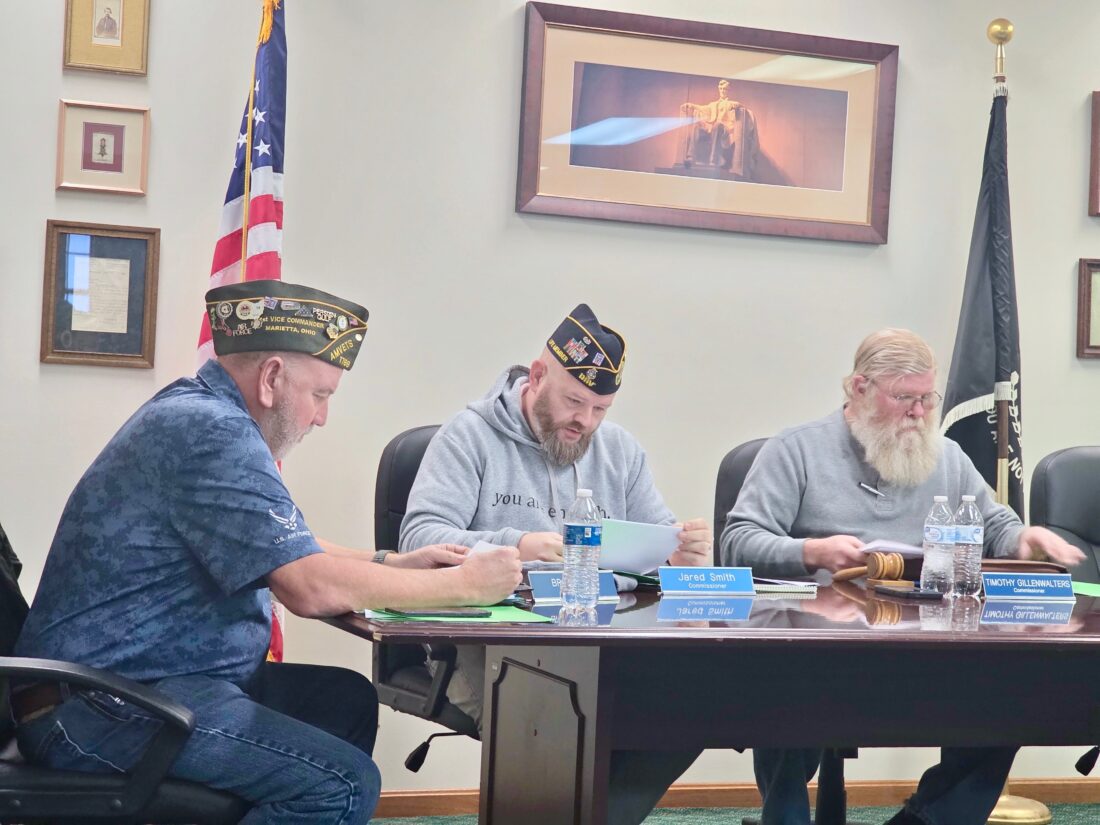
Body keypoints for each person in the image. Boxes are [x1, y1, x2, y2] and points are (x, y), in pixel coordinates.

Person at [13, 280, 522, 825]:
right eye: (320, 395)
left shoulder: (202, 414)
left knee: (344, 701)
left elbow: (285, 541)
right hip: (101, 707)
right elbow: (308, 587)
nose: (322, 417)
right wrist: (464, 587)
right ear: (272, 377)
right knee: (343, 784)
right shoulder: (212, 430)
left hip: (139, 685)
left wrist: (388, 563)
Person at [721, 327, 1084, 825]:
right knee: (784, 697)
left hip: (923, 650)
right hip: (818, 651)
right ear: (859, 388)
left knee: (1008, 704)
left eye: (927, 399)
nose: (919, 413)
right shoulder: (795, 450)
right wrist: (809, 551)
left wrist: (1022, 538)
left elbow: (993, 522)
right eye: (904, 398)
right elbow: (738, 539)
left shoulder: (945, 456)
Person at [399, 303, 712, 824]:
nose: (585, 422)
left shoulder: (620, 452)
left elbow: (656, 540)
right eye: (574, 402)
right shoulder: (469, 436)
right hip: (487, 645)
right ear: (538, 375)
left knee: (690, 709)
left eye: (600, 409)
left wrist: (676, 555)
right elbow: (419, 538)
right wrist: (517, 545)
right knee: (558, 721)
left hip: (602, 642)